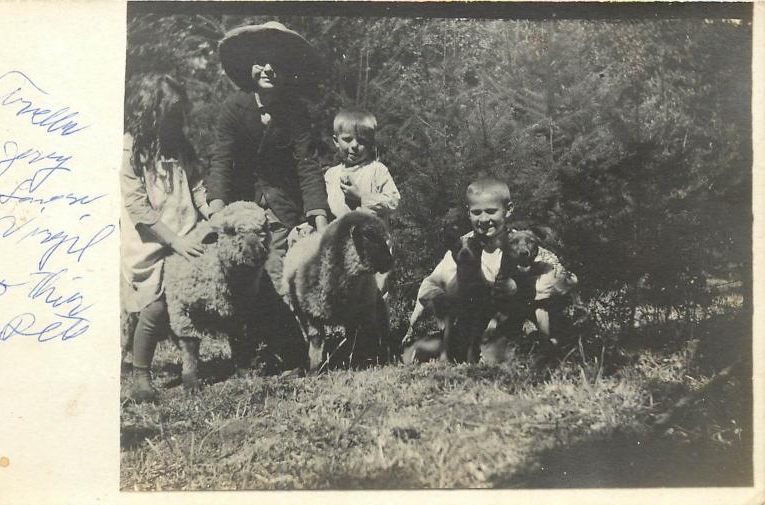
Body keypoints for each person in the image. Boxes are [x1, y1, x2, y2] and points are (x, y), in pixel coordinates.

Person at [207, 21, 328, 294]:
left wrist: (320, 221)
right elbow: (221, 159)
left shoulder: (295, 112)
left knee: (277, 275)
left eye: (277, 64)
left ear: (287, 71)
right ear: (249, 67)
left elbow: (306, 163)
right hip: (242, 205)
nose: (269, 69)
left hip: (282, 207)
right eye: (261, 62)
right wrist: (216, 210)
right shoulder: (233, 108)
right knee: (238, 275)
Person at [408, 176, 573, 362]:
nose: (484, 219)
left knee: (499, 353)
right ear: (468, 212)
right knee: (415, 353)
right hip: (470, 326)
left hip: (508, 327)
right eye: (476, 212)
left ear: (508, 209)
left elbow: (562, 279)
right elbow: (429, 287)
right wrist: (446, 299)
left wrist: (522, 287)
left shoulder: (521, 243)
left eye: (491, 211)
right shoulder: (463, 247)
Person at [121, 74, 210, 402]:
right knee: (156, 306)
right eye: (170, 111)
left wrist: (210, 211)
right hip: (152, 239)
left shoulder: (180, 146)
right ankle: (140, 374)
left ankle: (191, 365)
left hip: (186, 232)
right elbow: (137, 205)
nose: (176, 118)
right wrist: (173, 240)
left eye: (179, 112)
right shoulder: (132, 148)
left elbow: (198, 186)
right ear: (150, 109)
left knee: (190, 299)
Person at [323, 109, 400, 297]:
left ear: (371, 143)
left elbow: (394, 201)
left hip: (374, 242)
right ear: (336, 141)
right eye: (347, 140)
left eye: (362, 141)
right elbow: (328, 208)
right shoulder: (331, 175)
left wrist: (363, 196)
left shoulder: (376, 170)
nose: (354, 146)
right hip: (344, 244)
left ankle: (377, 323)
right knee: (349, 291)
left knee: (375, 291)